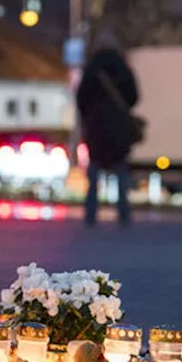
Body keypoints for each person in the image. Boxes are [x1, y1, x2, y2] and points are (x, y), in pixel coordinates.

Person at [76, 32, 140, 227]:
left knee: (94, 169)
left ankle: (91, 212)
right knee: (120, 168)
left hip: (96, 126)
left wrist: (90, 116)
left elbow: (81, 98)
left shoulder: (92, 68)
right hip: (118, 126)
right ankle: (123, 212)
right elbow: (134, 96)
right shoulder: (123, 67)